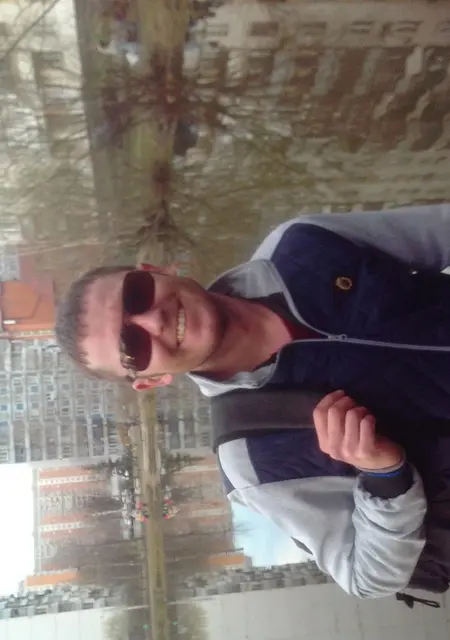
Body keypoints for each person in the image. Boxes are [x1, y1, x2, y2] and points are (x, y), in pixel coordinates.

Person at [56, 204, 450, 600]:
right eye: (132, 346)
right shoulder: (252, 460)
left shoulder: (304, 243)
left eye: (136, 294)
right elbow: (369, 576)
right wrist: (384, 475)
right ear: (152, 380)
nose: (153, 321)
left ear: (156, 270)